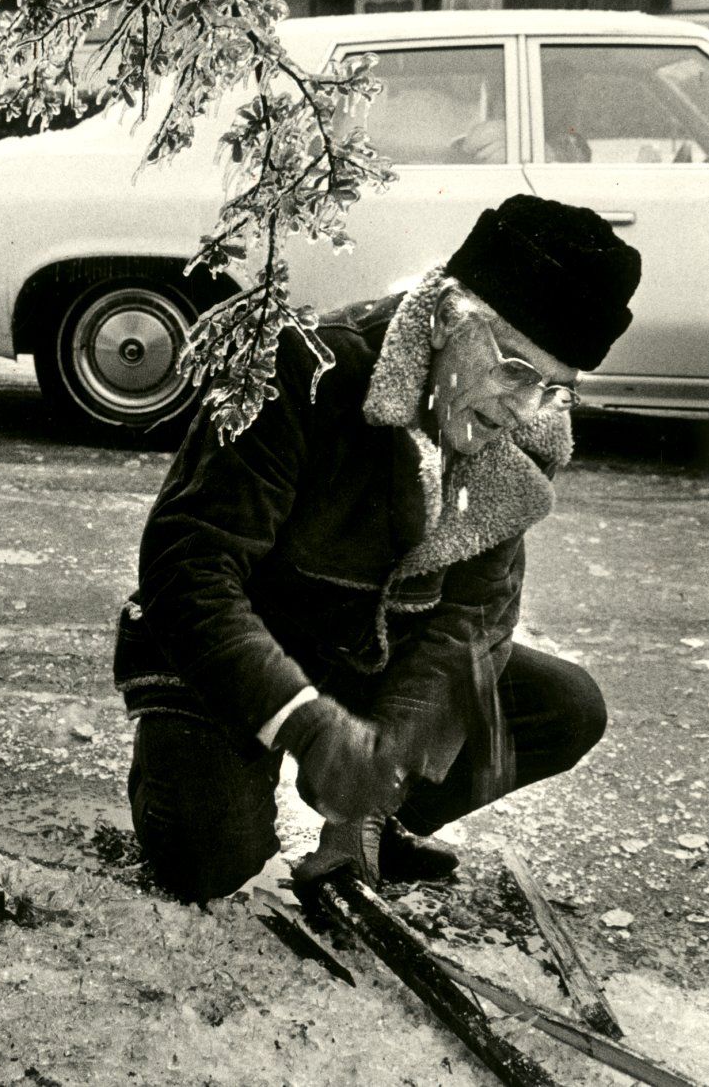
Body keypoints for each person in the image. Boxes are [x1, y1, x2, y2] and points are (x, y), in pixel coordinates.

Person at [113, 194, 642, 902]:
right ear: (447, 317)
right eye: (513, 369)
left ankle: (367, 806)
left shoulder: (524, 429)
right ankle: (208, 783)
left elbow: (472, 618)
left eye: (551, 388)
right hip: (221, 663)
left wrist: (366, 799)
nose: (523, 408)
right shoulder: (306, 365)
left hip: (366, 655)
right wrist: (304, 722)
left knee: (564, 706)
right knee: (213, 865)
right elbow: (188, 566)